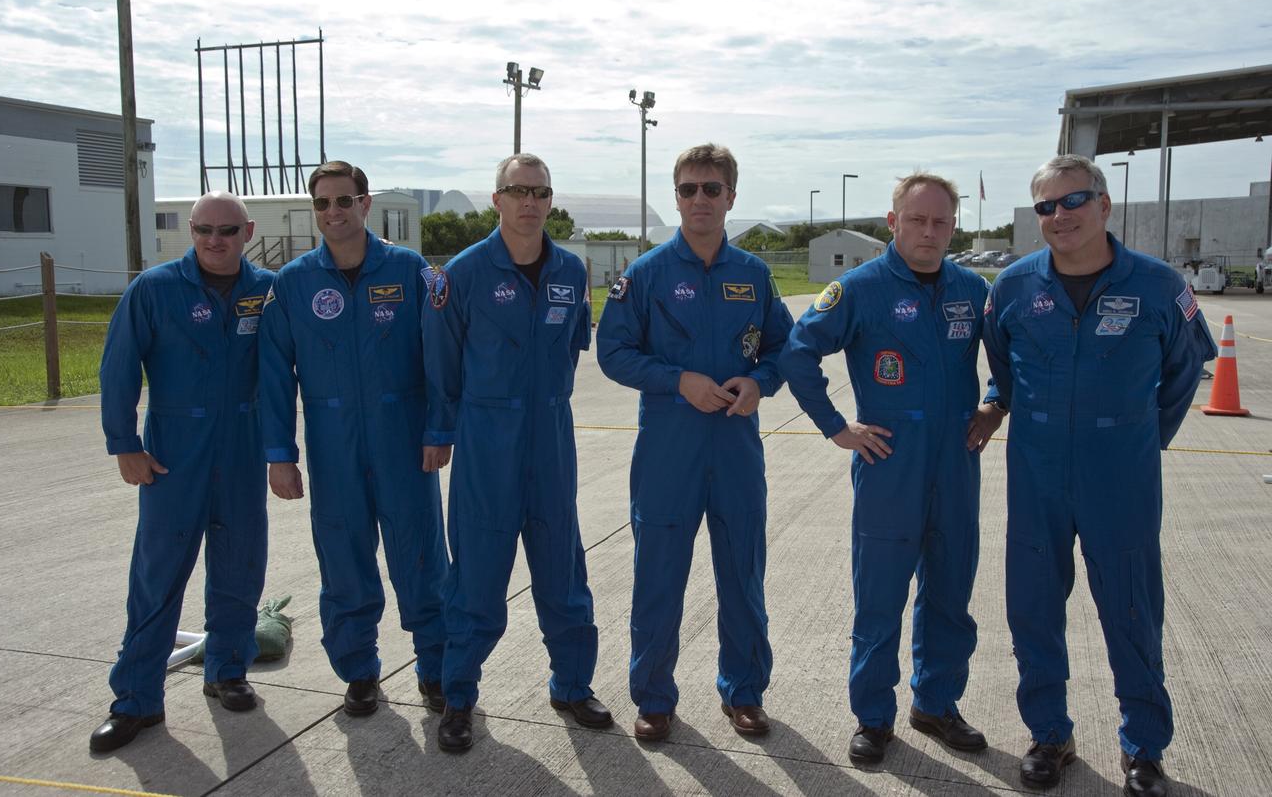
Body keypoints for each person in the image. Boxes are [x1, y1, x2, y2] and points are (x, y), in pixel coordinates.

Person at [984, 154, 1216, 796]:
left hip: (1122, 478)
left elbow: (1184, 371)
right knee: (1032, 607)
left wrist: (1142, 439)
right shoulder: (1011, 287)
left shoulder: (1158, 284)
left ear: (1105, 205)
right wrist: (996, 403)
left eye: (1074, 201)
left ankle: (1144, 748)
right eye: (1046, 206)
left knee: (1132, 608)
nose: (1060, 216)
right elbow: (1002, 368)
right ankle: (1049, 733)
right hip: (1035, 475)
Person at [779, 173, 1002, 763]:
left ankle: (936, 703)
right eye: (917, 220)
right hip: (889, 464)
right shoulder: (859, 289)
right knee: (880, 597)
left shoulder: (971, 287)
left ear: (954, 226)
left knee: (951, 593)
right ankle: (873, 716)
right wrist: (836, 427)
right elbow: (797, 353)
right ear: (892, 222)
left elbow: (1012, 352)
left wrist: (994, 404)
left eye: (940, 222)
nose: (929, 232)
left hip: (956, 462)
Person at [596, 143, 793, 742]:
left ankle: (744, 692)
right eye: (688, 189)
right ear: (675, 196)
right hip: (668, 452)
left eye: (712, 188)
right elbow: (613, 352)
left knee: (742, 575)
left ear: (732, 196)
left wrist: (760, 382)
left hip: (735, 450)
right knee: (658, 576)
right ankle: (654, 698)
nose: (700, 199)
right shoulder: (648, 274)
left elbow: (787, 349)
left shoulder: (754, 274)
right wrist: (677, 380)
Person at [423, 152, 610, 753]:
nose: (530, 202)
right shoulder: (464, 273)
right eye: (518, 190)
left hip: (552, 436)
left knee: (563, 567)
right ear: (496, 198)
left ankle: (572, 685)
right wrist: (443, 432)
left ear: (551, 202)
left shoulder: (571, 271)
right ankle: (459, 695)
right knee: (476, 574)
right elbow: (442, 365)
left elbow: (573, 345)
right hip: (486, 439)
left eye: (540, 192)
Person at [259, 160, 448, 718]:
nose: (334, 212)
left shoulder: (410, 270)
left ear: (366, 204)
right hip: (332, 447)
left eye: (345, 201)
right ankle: (359, 671)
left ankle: (435, 668)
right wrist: (279, 456)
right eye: (323, 203)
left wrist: (439, 429)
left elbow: (439, 358)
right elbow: (274, 374)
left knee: (420, 558)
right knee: (343, 561)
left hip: (404, 443)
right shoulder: (293, 283)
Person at [91, 191, 273, 752]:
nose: (214, 240)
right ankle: (136, 698)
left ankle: (227, 668)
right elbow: (119, 366)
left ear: (247, 231)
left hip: (243, 445)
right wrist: (124, 442)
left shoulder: (268, 291)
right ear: (190, 232)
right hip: (174, 449)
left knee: (240, 561)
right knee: (159, 571)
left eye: (226, 230)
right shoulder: (154, 289)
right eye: (203, 230)